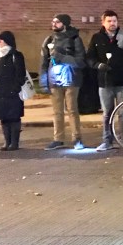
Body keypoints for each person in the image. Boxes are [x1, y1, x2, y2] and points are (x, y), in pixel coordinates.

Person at [86, 10, 123, 152]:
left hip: (122, 82)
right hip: (105, 83)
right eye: (109, 21)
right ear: (103, 23)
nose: (112, 24)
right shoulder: (97, 38)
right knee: (107, 113)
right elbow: (90, 58)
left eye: (114, 21)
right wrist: (98, 65)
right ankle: (107, 141)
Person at [40, 14, 87, 150]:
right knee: (57, 112)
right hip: (54, 80)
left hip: (71, 79)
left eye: (58, 22)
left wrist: (62, 57)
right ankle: (58, 139)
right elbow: (43, 63)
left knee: (72, 109)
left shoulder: (75, 39)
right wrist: (44, 82)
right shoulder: (49, 40)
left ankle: (77, 138)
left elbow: (80, 61)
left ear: (65, 24)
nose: (54, 24)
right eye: (53, 21)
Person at [0, 31, 26, 151]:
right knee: (3, 116)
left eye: (1, 40)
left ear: (8, 41)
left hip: (12, 92)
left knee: (14, 116)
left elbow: (21, 74)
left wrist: (15, 87)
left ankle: (14, 143)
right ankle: (6, 142)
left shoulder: (16, 55)